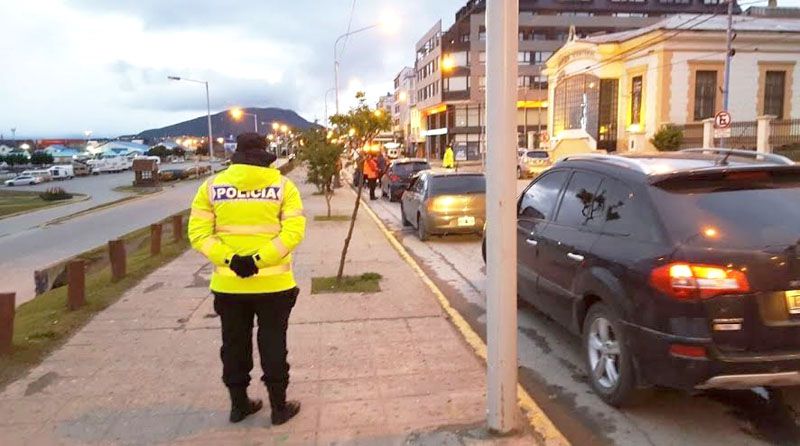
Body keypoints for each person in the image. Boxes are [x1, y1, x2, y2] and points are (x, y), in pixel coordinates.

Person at [188, 133, 306, 425]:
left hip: (229, 286)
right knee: (273, 343)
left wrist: (232, 261)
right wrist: (258, 261)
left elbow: (199, 235)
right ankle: (279, 408)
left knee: (234, 343)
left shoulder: (211, 187)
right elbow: (292, 234)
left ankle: (239, 406)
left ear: (236, 153)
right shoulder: (283, 186)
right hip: (274, 285)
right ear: (266, 153)